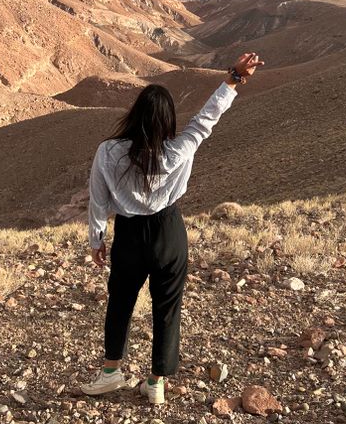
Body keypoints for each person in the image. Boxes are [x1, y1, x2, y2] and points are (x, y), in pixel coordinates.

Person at [79, 51, 264, 404]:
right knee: (167, 307)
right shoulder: (180, 149)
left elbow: (98, 199)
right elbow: (207, 117)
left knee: (120, 301)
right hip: (168, 231)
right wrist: (234, 78)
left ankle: (110, 372)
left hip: (129, 234)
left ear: (135, 115)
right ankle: (156, 382)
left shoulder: (108, 152)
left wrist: (96, 239)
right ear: (168, 120)